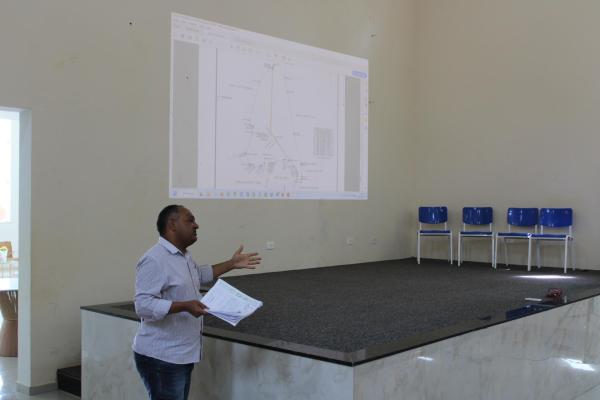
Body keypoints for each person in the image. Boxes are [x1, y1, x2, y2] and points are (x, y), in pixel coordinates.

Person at [133, 204, 261, 400]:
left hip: (181, 354)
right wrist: (185, 305)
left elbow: (197, 275)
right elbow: (143, 305)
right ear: (172, 225)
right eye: (190, 220)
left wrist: (231, 264)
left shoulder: (183, 256)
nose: (196, 225)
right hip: (162, 357)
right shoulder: (154, 260)